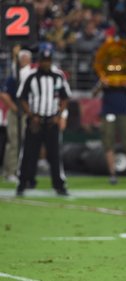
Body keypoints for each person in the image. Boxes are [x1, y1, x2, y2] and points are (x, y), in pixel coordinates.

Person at [16, 43, 70, 197]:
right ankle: (23, 183)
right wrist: (31, 115)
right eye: (44, 60)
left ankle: (59, 185)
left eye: (48, 60)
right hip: (36, 121)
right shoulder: (31, 76)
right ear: (39, 60)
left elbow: (65, 97)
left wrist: (59, 115)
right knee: (28, 154)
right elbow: (22, 97)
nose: (46, 62)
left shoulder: (58, 76)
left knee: (55, 155)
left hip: (52, 120)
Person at [91, 77, 126, 185]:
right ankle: (112, 175)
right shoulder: (104, 74)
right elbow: (93, 94)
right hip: (108, 113)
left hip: (124, 113)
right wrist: (101, 85)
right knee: (108, 144)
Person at [2, 48, 32, 184]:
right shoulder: (14, 76)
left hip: (29, 112)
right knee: (14, 141)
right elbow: (4, 94)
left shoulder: (31, 75)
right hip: (16, 113)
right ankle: (10, 171)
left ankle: (19, 170)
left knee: (25, 142)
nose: (25, 61)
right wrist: (15, 108)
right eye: (23, 58)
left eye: (26, 58)